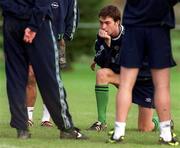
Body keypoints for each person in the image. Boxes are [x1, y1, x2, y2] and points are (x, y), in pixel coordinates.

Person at [0, 0, 87, 140]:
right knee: (50, 77)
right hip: (38, 23)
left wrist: (14, 12)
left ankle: (21, 129)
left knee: (15, 77)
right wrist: (33, 25)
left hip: (11, 22)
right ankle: (66, 128)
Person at [109, 0, 179, 146]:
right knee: (162, 86)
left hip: (134, 25)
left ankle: (118, 133)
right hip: (158, 25)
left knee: (126, 84)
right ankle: (166, 134)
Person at [87, 5, 159, 132]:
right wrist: (108, 46)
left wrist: (109, 48)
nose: (103, 26)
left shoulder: (130, 36)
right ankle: (101, 122)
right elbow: (103, 63)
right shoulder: (102, 37)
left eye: (107, 23)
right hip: (125, 78)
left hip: (143, 81)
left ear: (117, 22)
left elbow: (126, 63)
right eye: (101, 22)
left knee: (145, 128)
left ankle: (163, 122)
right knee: (102, 74)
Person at [26, 0, 79, 127]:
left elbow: (73, 14)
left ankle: (46, 118)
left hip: (57, 39)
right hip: (36, 34)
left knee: (50, 78)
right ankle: (28, 117)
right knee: (30, 75)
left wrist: (66, 37)